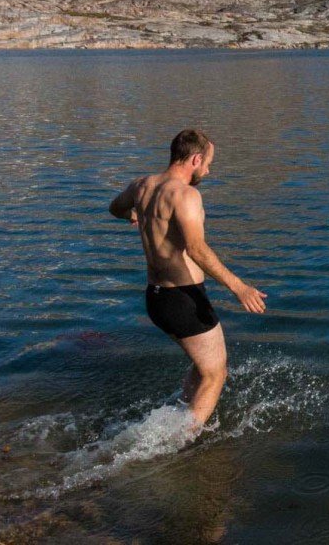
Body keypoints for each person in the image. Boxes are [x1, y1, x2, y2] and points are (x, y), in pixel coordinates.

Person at [109, 129, 267, 430]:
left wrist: (133, 215)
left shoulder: (141, 186)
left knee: (203, 366)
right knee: (215, 374)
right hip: (183, 299)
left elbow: (115, 208)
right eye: (207, 163)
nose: (208, 171)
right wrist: (239, 287)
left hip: (155, 297)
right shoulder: (185, 195)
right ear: (195, 159)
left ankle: (180, 419)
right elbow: (196, 249)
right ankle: (182, 442)